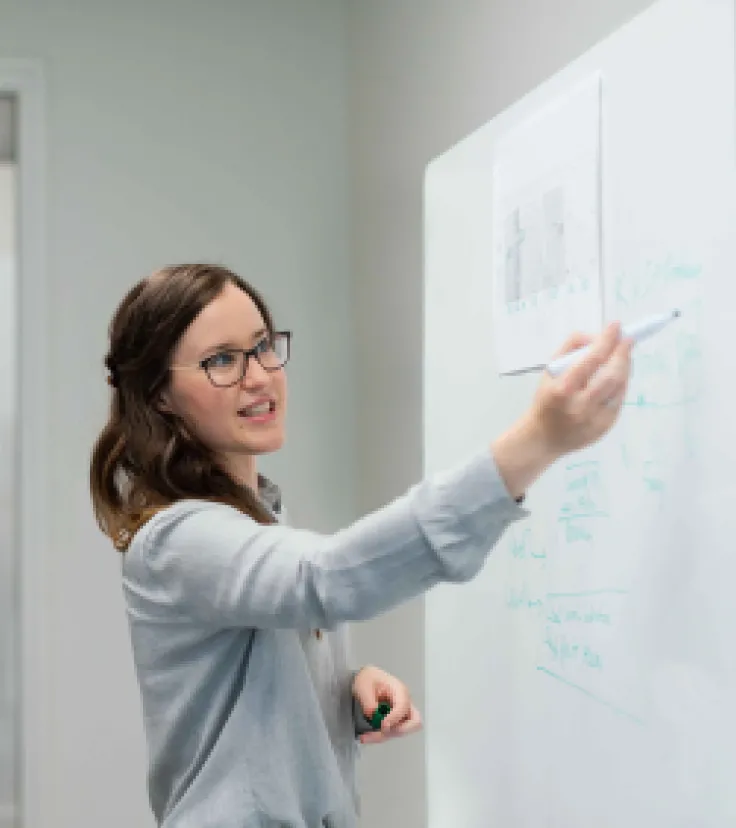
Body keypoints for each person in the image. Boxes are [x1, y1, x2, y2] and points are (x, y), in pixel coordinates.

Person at [90, 263, 631, 828]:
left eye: (262, 347)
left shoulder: (260, 516)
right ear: (160, 395)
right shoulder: (177, 539)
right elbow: (322, 580)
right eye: (222, 360)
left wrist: (339, 692)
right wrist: (535, 443)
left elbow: (247, 700)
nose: (260, 377)